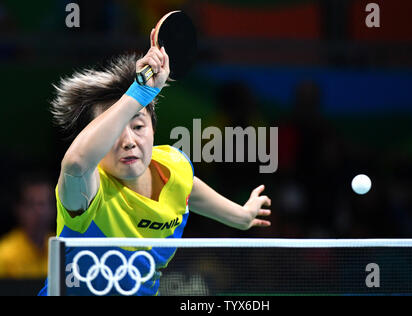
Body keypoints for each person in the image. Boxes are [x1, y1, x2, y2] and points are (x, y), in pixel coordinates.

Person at [38, 31, 271, 295]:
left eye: (138, 126)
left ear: (153, 128)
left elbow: (188, 190)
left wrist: (242, 216)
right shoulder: (88, 190)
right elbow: (77, 162)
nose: (128, 141)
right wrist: (141, 89)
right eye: (114, 132)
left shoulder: (173, 166)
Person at [0, 172, 55, 278]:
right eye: (32, 204)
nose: (40, 212)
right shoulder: (4, 254)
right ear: (19, 209)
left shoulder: (64, 249)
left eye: (45, 204)